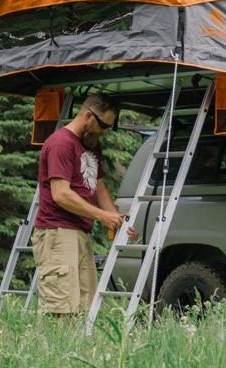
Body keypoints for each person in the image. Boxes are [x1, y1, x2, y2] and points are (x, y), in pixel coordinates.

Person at [31, 93, 136, 316]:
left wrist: (116, 220)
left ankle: (76, 351)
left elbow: (98, 187)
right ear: (88, 115)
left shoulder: (91, 146)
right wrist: (101, 216)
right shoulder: (61, 144)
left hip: (80, 233)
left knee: (84, 307)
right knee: (59, 310)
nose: (106, 131)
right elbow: (61, 195)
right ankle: (50, 352)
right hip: (57, 233)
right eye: (104, 125)